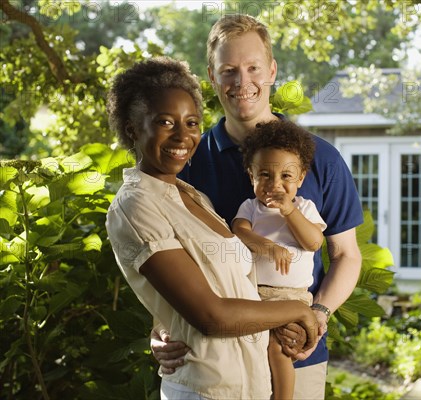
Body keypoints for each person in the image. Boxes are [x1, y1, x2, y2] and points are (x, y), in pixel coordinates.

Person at [151, 14, 363, 399]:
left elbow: (346, 254)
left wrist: (318, 314)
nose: (242, 82)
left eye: (252, 68)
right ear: (212, 78)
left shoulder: (322, 159)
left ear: (272, 71)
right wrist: (160, 328)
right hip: (210, 361)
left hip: (295, 352)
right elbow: (164, 255)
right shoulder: (188, 161)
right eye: (228, 70)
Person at [105, 56, 317, 400]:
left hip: (252, 386)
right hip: (206, 389)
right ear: (132, 128)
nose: (183, 135)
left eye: (191, 123)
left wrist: (165, 324)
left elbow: (225, 289)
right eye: (164, 121)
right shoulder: (136, 204)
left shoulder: (192, 196)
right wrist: (297, 310)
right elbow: (211, 316)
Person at [233, 120, 327, 399]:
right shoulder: (250, 207)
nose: (275, 184)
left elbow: (313, 242)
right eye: (264, 175)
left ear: (301, 178)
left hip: (292, 299)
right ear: (251, 175)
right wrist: (266, 246)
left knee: (280, 348)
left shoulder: (305, 208)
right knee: (251, 349)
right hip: (254, 296)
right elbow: (238, 231)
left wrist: (289, 211)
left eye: (286, 176)